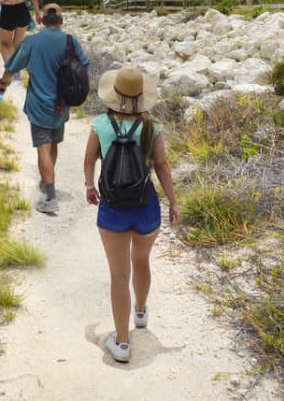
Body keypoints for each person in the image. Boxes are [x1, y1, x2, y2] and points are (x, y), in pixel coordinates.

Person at [83, 66, 179, 363]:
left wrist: (89, 186)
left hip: (112, 209)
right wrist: (173, 202)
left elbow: (88, 162)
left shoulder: (100, 124)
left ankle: (122, 344)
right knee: (141, 261)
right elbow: (162, 166)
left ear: (114, 95)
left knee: (118, 274)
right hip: (146, 205)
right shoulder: (153, 126)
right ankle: (140, 311)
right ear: (141, 97)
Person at [0, 4, 88, 215]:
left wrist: (3, 83)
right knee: (53, 143)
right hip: (62, 104)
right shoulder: (71, 41)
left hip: (39, 104)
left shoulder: (31, 41)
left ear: (41, 21)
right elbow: (84, 64)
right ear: (61, 21)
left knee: (43, 147)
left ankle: (51, 197)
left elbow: (12, 67)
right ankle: (47, 182)